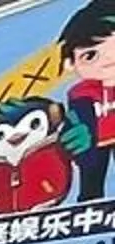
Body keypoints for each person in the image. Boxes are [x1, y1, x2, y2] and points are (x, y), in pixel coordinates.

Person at [66, 3, 115, 202]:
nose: (108, 59)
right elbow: (79, 118)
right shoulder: (81, 91)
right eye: (90, 55)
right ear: (70, 63)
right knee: (91, 186)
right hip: (97, 143)